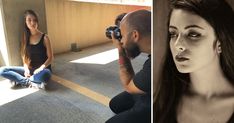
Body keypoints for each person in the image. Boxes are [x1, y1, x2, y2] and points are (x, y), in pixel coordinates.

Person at [154, 0, 234, 122]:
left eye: (193, 34)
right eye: (173, 34)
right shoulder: (164, 101)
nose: (177, 45)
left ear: (220, 42)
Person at [106, 10, 151, 123]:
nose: (122, 40)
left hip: (161, 104)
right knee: (116, 104)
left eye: (123, 35)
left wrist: (120, 49)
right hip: (155, 91)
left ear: (135, 35)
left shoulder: (155, 65)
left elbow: (128, 84)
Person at [0, 9, 53, 89]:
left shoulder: (45, 38)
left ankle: (19, 80)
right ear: (25, 22)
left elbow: (50, 58)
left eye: (35, 20)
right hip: (30, 69)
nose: (32, 23)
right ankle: (28, 82)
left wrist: (41, 68)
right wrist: (26, 69)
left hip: (42, 70)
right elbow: (24, 56)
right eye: (29, 20)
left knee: (47, 74)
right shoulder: (25, 38)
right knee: (2, 70)